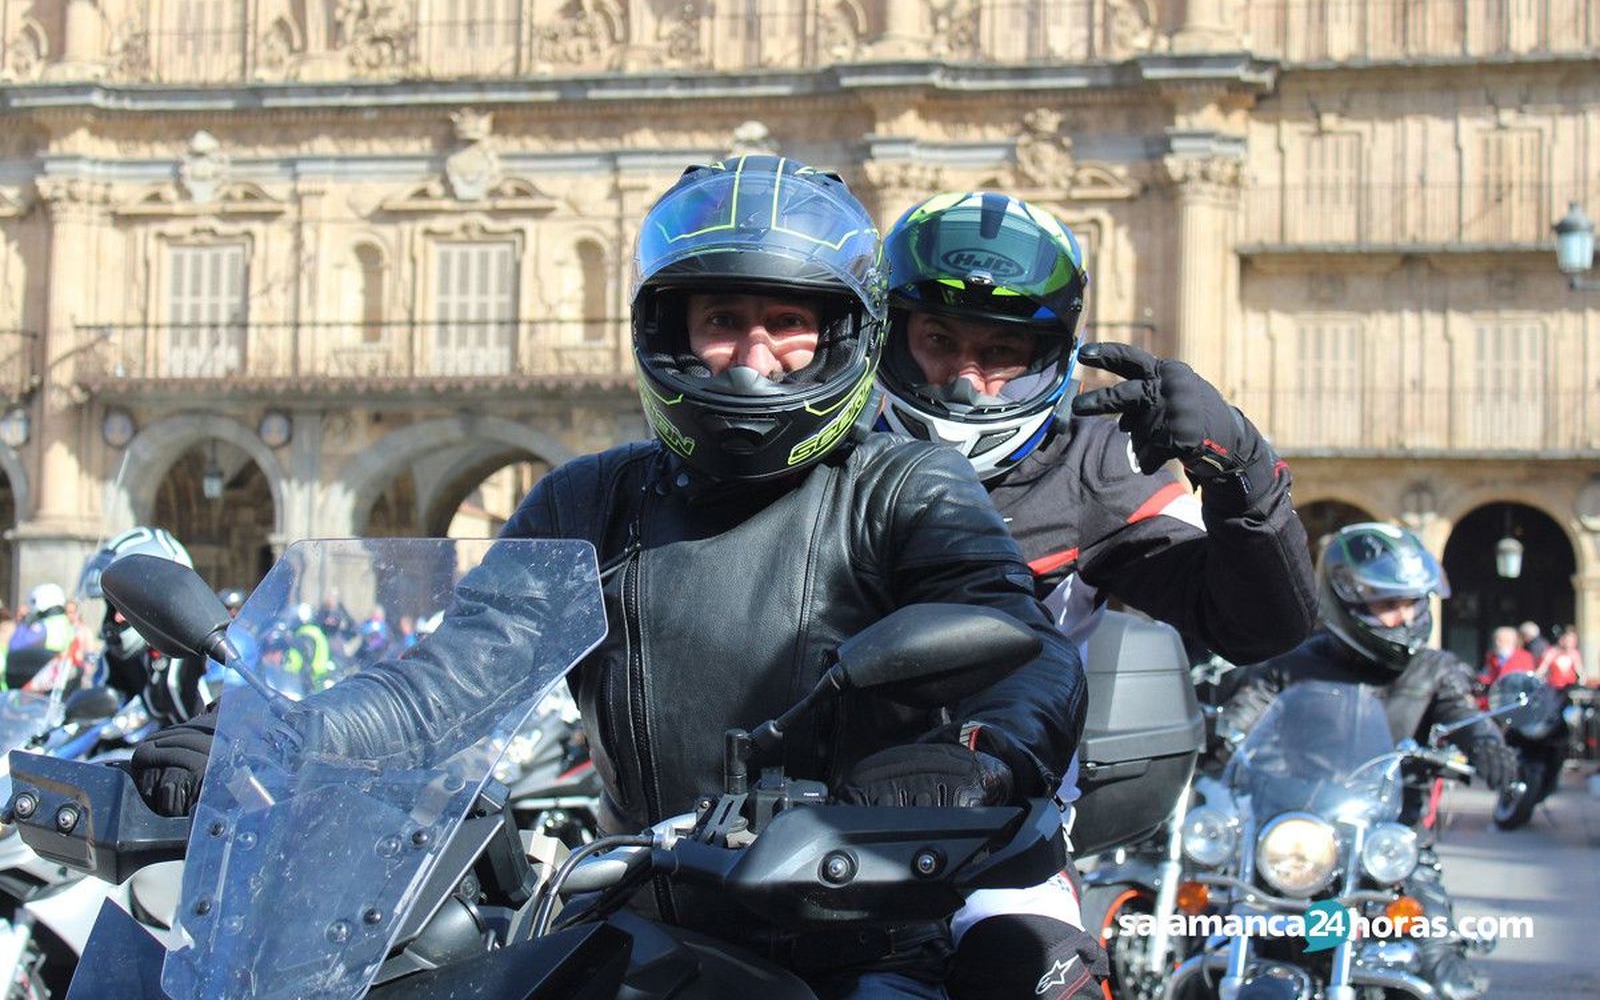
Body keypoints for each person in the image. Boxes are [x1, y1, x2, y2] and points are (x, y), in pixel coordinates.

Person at [131, 156, 1085, 999]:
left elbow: (1016, 643)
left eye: (788, 322)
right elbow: (446, 684)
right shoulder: (590, 499)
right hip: (634, 923)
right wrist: (284, 735)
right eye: (723, 320)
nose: (755, 356)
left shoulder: (903, 484)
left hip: (864, 934)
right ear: (670, 330)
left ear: (840, 336)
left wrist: (969, 758)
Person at [872, 190, 1317, 997]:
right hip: (791, 817)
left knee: (1046, 977)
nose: (969, 378)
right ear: (894, 332)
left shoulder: (1099, 464)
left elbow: (1256, 625)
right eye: (940, 339)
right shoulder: (829, 437)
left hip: (997, 842)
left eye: (1002, 349)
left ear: (1050, 354)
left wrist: (1244, 475)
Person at [1222, 523, 1517, 1000]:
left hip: (1391, 848)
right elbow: (1245, 711)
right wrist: (1218, 735)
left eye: (1412, 602)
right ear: (1346, 601)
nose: (1405, 617)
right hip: (1304, 845)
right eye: (1389, 604)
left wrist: (1486, 742)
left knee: (1440, 976)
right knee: (1221, 942)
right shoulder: (1292, 663)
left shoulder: (1434, 669)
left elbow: (1463, 712)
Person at [78, 527, 217, 728]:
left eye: (126, 605)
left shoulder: (202, 658)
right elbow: (99, 714)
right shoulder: (120, 657)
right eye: (112, 605)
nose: (116, 618)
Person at [1537, 627, 1584, 692]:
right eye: (1568, 641)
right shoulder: (1551, 653)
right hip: (1554, 688)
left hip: (1569, 689)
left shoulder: (1574, 654)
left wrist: (1581, 685)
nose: (1570, 644)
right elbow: (1541, 671)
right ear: (1562, 639)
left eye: (1573, 641)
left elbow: (1580, 672)